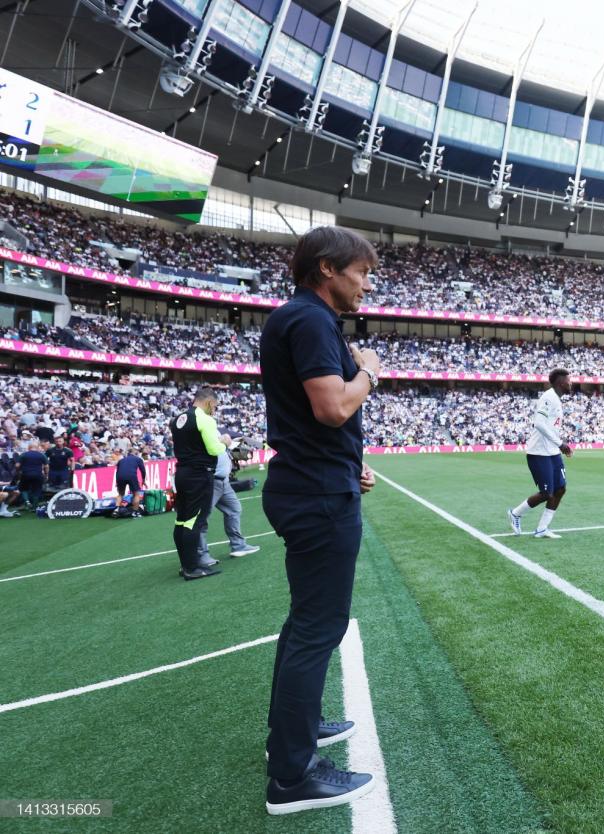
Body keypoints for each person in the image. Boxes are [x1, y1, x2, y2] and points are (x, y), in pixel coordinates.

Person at [259, 225, 380, 815]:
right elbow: (332, 407)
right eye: (361, 271)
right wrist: (369, 373)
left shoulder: (302, 318)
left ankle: (290, 738)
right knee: (317, 629)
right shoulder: (308, 319)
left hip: (314, 483)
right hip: (316, 496)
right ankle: (292, 775)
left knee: (306, 623)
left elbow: (317, 423)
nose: (366, 283)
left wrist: (349, 465)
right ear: (328, 268)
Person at [508, 368, 573, 539]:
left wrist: (558, 445)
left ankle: (542, 528)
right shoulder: (548, 397)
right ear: (560, 383)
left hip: (552, 453)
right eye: (568, 380)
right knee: (546, 493)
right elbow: (539, 423)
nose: (571, 383)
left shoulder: (557, 399)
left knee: (560, 489)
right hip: (539, 452)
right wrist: (561, 443)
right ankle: (515, 513)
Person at [169, 387, 226, 580]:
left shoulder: (177, 420)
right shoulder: (206, 419)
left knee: (182, 520)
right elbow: (213, 449)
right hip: (199, 475)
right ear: (209, 402)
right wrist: (225, 442)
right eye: (215, 406)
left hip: (182, 473)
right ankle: (191, 568)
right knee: (195, 521)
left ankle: (185, 564)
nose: (215, 410)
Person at [196, 434, 260, 565]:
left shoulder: (210, 425)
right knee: (201, 519)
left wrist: (229, 442)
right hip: (211, 481)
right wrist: (224, 441)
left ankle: (238, 545)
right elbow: (209, 445)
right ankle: (200, 555)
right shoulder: (199, 424)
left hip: (223, 481)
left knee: (234, 509)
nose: (214, 411)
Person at [17, 440, 48, 509]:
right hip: (38, 475)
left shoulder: (23, 454)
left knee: (23, 488)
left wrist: (18, 471)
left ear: (28, 448)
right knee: (36, 490)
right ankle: (34, 507)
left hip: (26, 475)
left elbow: (17, 465)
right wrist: (46, 474)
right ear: (37, 448)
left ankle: (27, 502)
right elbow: (46, 466)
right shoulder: (41, 455)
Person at [114, 449, 145, 516]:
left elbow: (117, 472)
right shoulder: (138, 459)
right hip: (131, 475)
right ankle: (135, 512)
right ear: (135, 453)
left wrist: (117, 481)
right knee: (136, 494)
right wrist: (143, 480)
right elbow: (143, 470)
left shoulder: (121, 460)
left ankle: (116, 509)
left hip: (120, 476)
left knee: (120, 494)